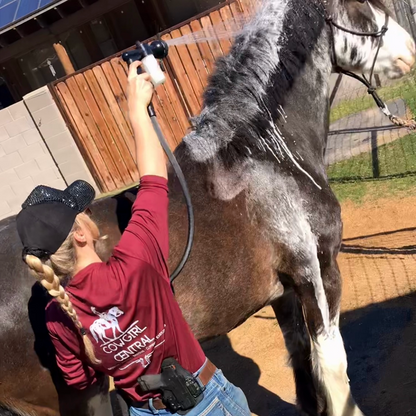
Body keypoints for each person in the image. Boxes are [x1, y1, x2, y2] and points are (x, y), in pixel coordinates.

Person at [16, 61, 252, 416]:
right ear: (80, 234)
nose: (91, 212)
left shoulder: (56, 317)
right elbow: (154, 178)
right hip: (207, 401)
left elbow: (80, 381)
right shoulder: (136, 259)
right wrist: (136, 109)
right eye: (86, 212)